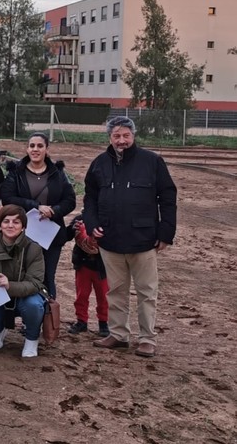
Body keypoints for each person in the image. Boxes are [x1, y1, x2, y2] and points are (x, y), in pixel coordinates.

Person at [84, 116, 177, 358]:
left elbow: (167, 196)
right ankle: (118, 334)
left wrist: (166, 232)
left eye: (126, 135)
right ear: (109, 138)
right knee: (116, 291)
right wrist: (92, 224)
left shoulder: (152, 162)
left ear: (133, 136)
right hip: (110, 240)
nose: (121, 140)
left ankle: (147, 338)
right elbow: (89, 198)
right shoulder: (99, 164)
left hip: (143, 240)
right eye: (117, 136)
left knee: (147, 292)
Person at [0, 132, 76, 299]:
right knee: (20, 276)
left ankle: (48, 321)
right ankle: (25, 319)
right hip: (22, 235)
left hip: (51, 236)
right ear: (26, 149)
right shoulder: (16, 172)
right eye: (32, 146)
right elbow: (7, 198)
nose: (35, 149)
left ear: (47, 149)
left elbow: (70, 200)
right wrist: (36, 206)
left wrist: (54, 210)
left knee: (48, 277)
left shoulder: (58, 173)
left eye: (40, 146)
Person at [0, 205, 46, 358]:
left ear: (23, 226)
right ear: (0, 224)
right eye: (6, 221)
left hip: (26, 297)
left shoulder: (34, 248)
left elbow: (35, 283)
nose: (10, 225)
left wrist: (9, 285)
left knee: (34, 305)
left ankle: (31, 339)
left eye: (16, 222)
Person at [67, 215, 109, 337]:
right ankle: (81, 321)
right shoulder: (80, 219)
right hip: (83, 264)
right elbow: (70, 233)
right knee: (82, 294)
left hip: (102, 267)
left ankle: (103, 322)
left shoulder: (108, 219)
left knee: (103, 296)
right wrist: (72, 228)